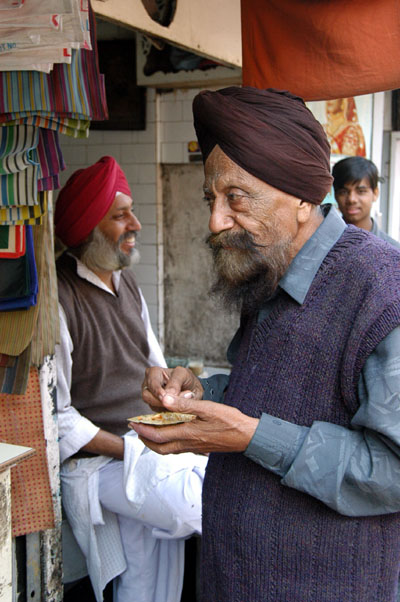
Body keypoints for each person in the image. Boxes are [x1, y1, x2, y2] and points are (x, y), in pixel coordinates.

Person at [130, 88, 400, 602]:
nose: (215, 221)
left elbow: (392, 468)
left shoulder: (382, 290)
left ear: (302, 197)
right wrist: (203, 395)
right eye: (211, 198)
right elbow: (284, 392)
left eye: (237, 197)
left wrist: (251, 437)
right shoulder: (271, 273)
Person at [54, 156, 207, 602]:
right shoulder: (61, 297)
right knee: (195, 504)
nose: (135, 223)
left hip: (142, 451)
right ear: (88, 227)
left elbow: (151, 360)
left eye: (132, 211)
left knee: (150, 575)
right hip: (98, 463)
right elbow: (58, 418)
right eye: (120, 215)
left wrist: (170, 388)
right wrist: (127, 447)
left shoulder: (128, 284)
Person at [333, 156, 400, 248]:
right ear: (335, 195)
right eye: (343, 192)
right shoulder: (322, 244)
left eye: (361, 191)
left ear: (375, 193)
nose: (352, 199)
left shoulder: (392, 251)